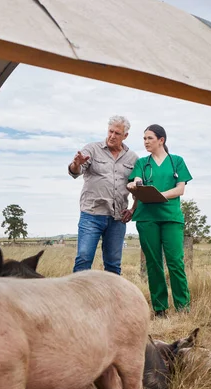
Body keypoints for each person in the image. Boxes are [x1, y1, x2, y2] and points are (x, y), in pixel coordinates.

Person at [127, 124, 193, 317]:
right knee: (153, 263)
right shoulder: (142, 163)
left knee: (175, 263)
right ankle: (160, 309)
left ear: (161, 140)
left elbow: (180, 189)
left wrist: (159, 194)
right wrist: (134, 184)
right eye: (144, 139)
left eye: (150, 138)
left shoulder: (177, 162)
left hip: (171, 218)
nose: (146, 142)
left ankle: (183, 308)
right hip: (147, 218)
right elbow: (136, 180)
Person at [68, 115, 138, 275]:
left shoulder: (133, 158)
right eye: (110, 131)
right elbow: (75, 171)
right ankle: (78, 298)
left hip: (117, 218)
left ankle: (112, 299)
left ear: (125, 136)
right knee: (84, 258)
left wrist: (133, 209)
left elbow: (137, 189)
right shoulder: (91, 149)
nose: (112, 136)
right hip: (91, 215)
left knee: (113, 264)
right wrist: (76, 164)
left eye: (117, 133)